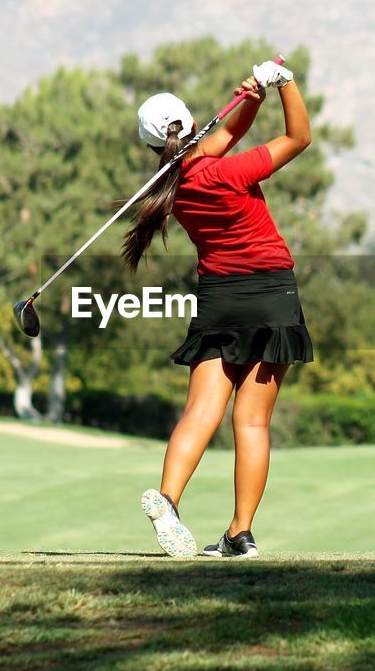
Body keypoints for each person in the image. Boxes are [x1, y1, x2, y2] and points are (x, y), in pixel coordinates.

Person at [127, 59, 313, 559]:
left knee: (201, 411)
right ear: (191, 124)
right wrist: (287, 83)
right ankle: (241, 532)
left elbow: (221, 136)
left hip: (218, 298)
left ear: (153, 146)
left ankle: (168, 498)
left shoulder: (173, 186)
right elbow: (299, 138)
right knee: (250, 424)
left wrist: (251, 96)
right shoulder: (229, 171)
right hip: (272, 292)